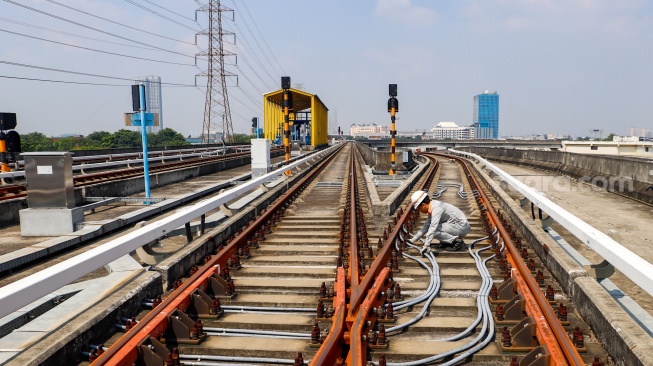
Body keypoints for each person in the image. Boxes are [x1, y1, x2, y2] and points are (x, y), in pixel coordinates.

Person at [407, 190, 470, 255]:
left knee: (434, 230)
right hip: (455, 226)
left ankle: (457, 242)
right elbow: (426, 225)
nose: (420, 211)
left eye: (419, 209)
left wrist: (426, 246)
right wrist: (413, 240)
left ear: (423, 205)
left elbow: (433, 228)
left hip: (462, 227)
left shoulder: (436, 209)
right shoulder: (433, 206)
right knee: (432, 228)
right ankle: (446, 242)